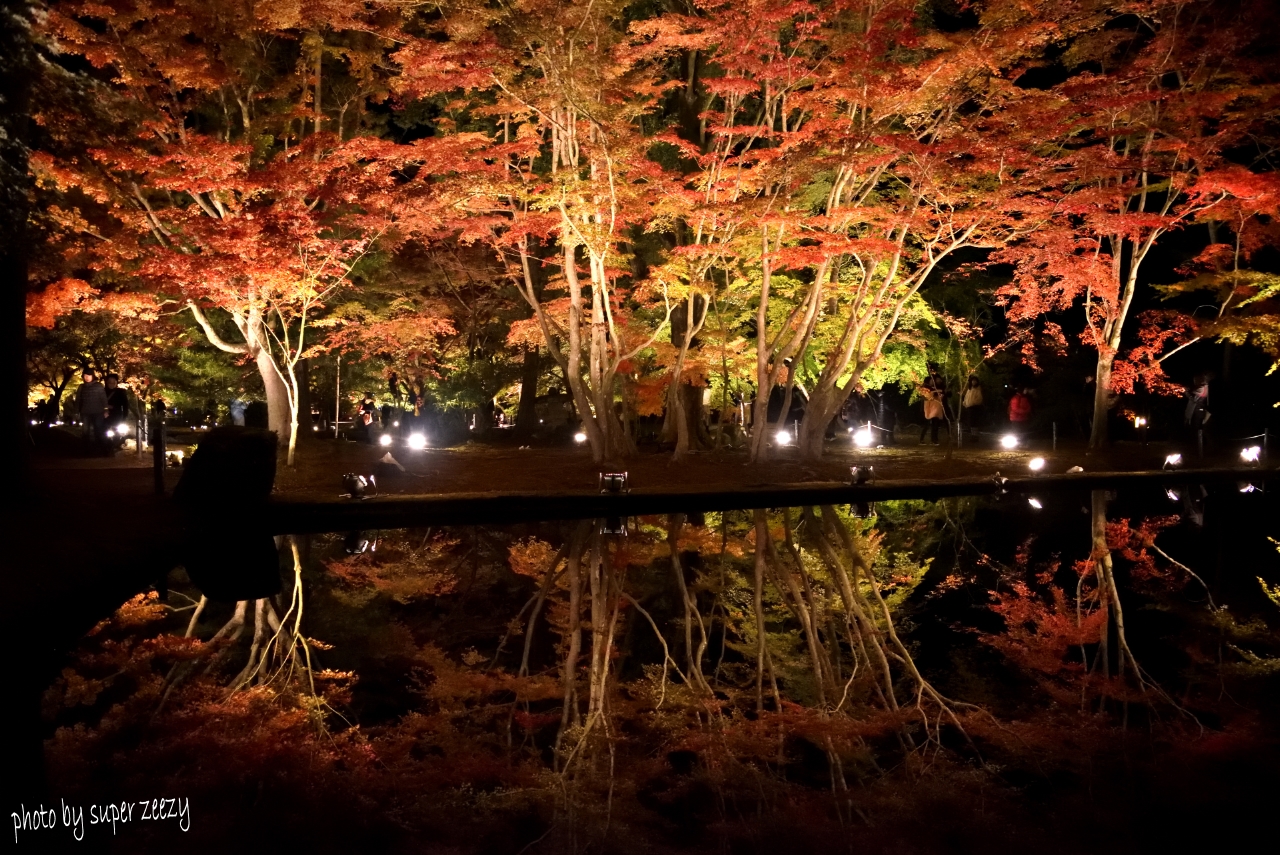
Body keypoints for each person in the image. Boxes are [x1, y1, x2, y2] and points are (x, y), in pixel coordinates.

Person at [75, 369, 109, 455]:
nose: (87, 377)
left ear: (92, 376)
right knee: (85, 432)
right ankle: (86, 451)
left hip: (98, 412)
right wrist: (76, 412)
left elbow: (104, 399)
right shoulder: (81, 387)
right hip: (85, 412)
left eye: (89, 376)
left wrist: (106, 410)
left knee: (99, 431)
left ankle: (102, 450)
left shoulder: (99, 386)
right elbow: (78, 400)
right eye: (85, 376)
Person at [919, 366, 946, 445]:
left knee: (935, 424)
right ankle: (922, 439)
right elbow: (927, 397)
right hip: (928, 408)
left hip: (936, 408)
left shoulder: (937, 387)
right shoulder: (926, 389)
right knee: (927, 424)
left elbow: (942, 395)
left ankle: (934, 439)